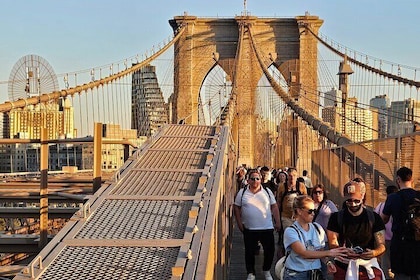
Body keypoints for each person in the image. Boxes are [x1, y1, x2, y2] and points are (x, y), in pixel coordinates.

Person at [327, 179, 386, 280]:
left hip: (368, 266)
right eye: (349, 201)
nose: (353, 204)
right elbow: (333, 243)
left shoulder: (374, 218)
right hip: (343, 266)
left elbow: (382, 245)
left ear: (362, 197)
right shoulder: (336, 217)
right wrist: (343, 251)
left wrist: (374, 253)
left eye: (356, 201)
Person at [283, 195, 348, 280]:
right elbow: (304, 253)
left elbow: (320, 250)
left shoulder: (317, 228)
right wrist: (329, 253)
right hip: (296, 274)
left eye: (314, 211)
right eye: (310, 211)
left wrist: (327, 262)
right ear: (299, 211)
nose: (313, 214)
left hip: (315, 273)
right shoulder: (291, 231)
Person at [233, 169, 281, 280]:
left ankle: (266, 270)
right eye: (252, 178)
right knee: (249, 252)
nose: (255, 181)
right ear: (248, 181)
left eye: (257, 178)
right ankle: (251, 273)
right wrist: (240, 224)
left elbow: (274, 207)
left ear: (261, 180)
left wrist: (277, 222)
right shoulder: (242, 192)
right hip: (249, 228)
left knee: (270, 251)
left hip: (266, 227)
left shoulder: (267, 192)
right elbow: (236, 207)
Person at [381, 167, 420, 280]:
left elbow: (384, 219)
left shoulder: (393, 198)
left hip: (400, 244)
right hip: (418, 242)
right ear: (411, 179)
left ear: (398, 179)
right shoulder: (419, 196)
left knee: (401, 275)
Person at [375, 185, 398, 280]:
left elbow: (375, 221)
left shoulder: (381, 205)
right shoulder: (398, 206)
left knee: (385, 264)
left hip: (383, 240)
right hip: (396, 240)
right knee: (397, 264)